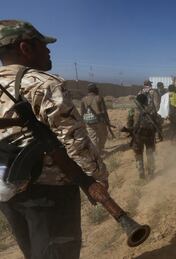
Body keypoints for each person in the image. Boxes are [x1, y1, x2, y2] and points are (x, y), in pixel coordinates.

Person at [0, 20, 108, 259]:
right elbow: (75, 142)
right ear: (25, 48)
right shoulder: (44, 84)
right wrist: (98, 179)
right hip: (50, 194)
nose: (49, 50)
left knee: (34, 252)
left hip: (8, 189)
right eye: (43, 45)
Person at [126, 93, 160, 179]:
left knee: (138, 154)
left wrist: (132, 131)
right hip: (149, 135)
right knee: (150, 153)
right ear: (146, 101)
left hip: (137, 136)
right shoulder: (151, 110)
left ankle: (141, 173)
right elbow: (158, 121)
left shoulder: (132, 110)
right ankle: (151, 173)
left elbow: (129, 124)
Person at [80, 83, 111, 155]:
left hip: (88, 122)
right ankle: (100, 149)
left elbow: (82, 112)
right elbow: (104, 111)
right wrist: (107, 121)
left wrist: (83, 122)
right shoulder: (99, 98)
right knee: (104, 135)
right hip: (99, 121)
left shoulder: (83, 99)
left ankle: (96, 153)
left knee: (93, 138)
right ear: (95, 90)